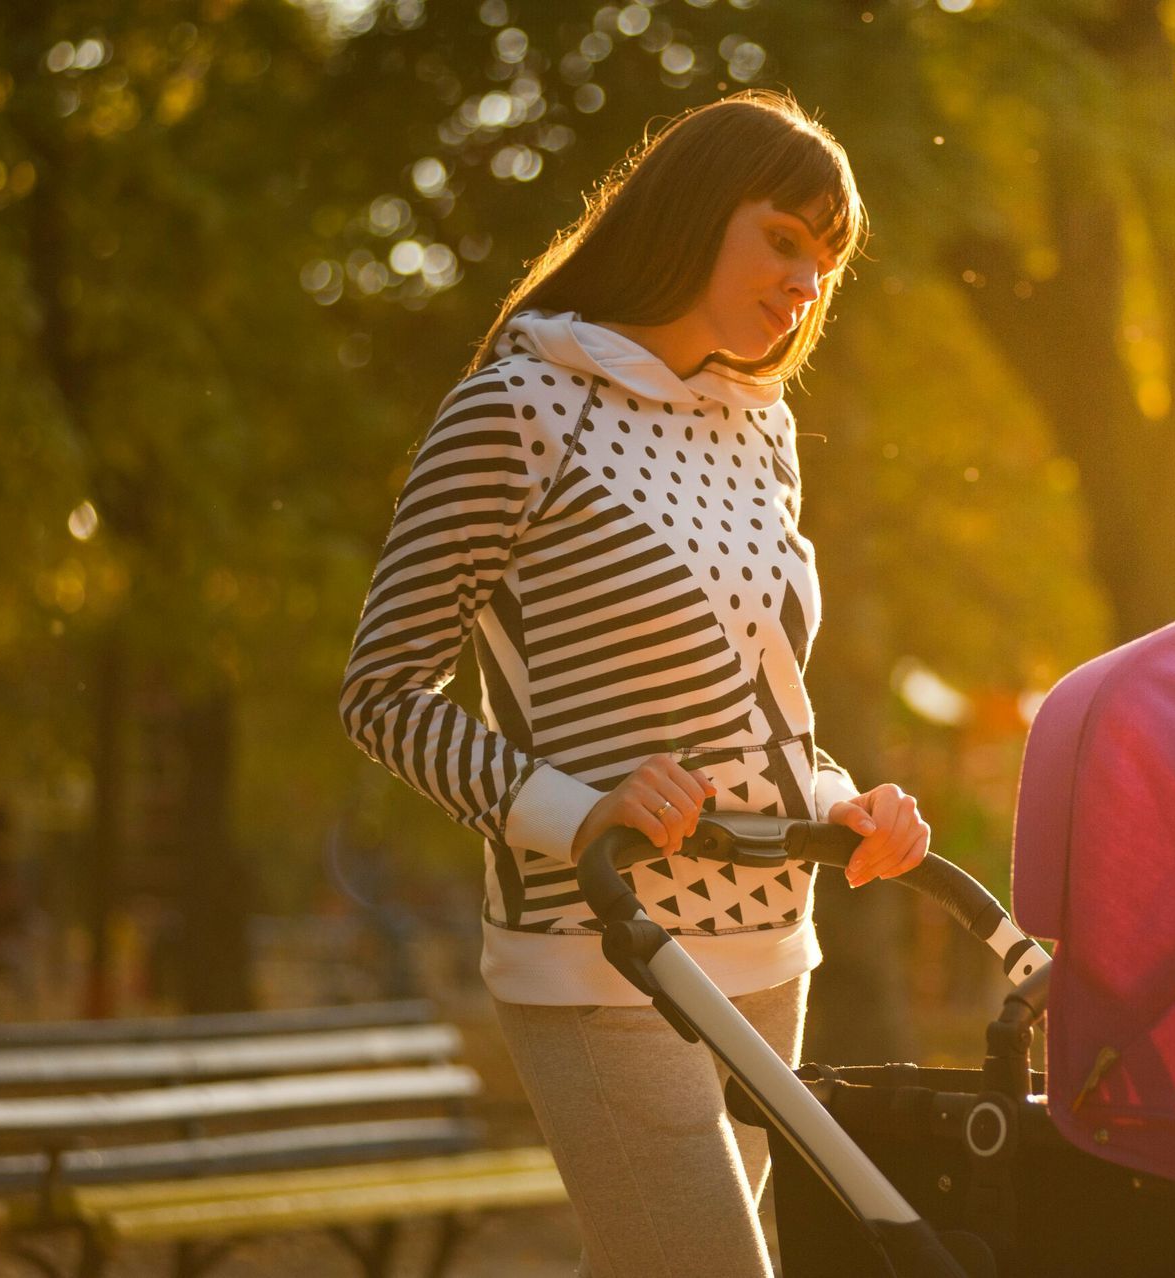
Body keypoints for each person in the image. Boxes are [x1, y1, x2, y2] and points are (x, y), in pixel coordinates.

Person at [338, 90, 931, 1277]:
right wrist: (575, 806)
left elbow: (755, 702)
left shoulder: (756, 428)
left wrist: (845, 799)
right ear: (696, 209)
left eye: (826, 261)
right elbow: (384, 693)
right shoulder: (516, 407)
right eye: (784, 238)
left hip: (771, 940)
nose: (807, 282)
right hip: (603, 937)